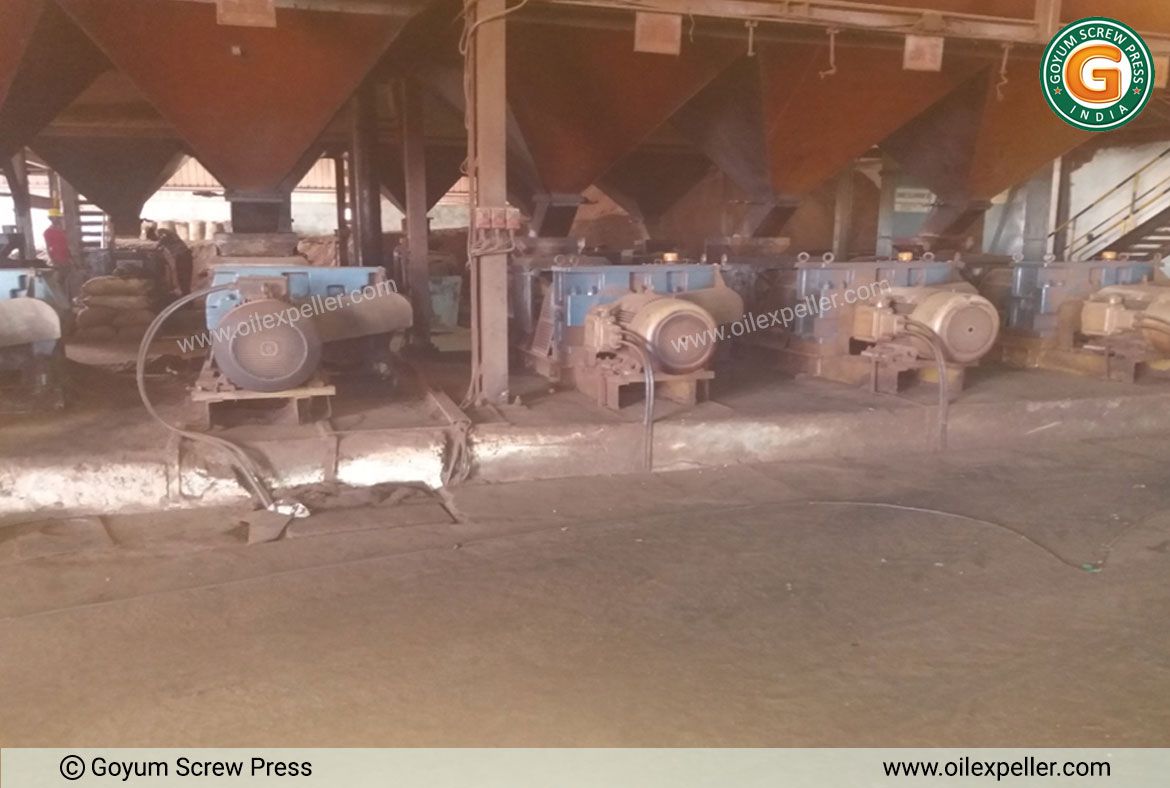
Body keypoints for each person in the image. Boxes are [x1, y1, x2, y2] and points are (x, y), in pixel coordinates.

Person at [148, 226, 194, 295]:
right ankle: (185, 297)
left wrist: (158, 245)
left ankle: (187, 299)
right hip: (181, 256)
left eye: (153, 239)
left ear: (153, 234)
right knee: (181, 279)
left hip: (183, 256)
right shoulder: (163, 237)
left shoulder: (161, 231)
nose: (155, 240)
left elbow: (163, 238)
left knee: (184, 278)